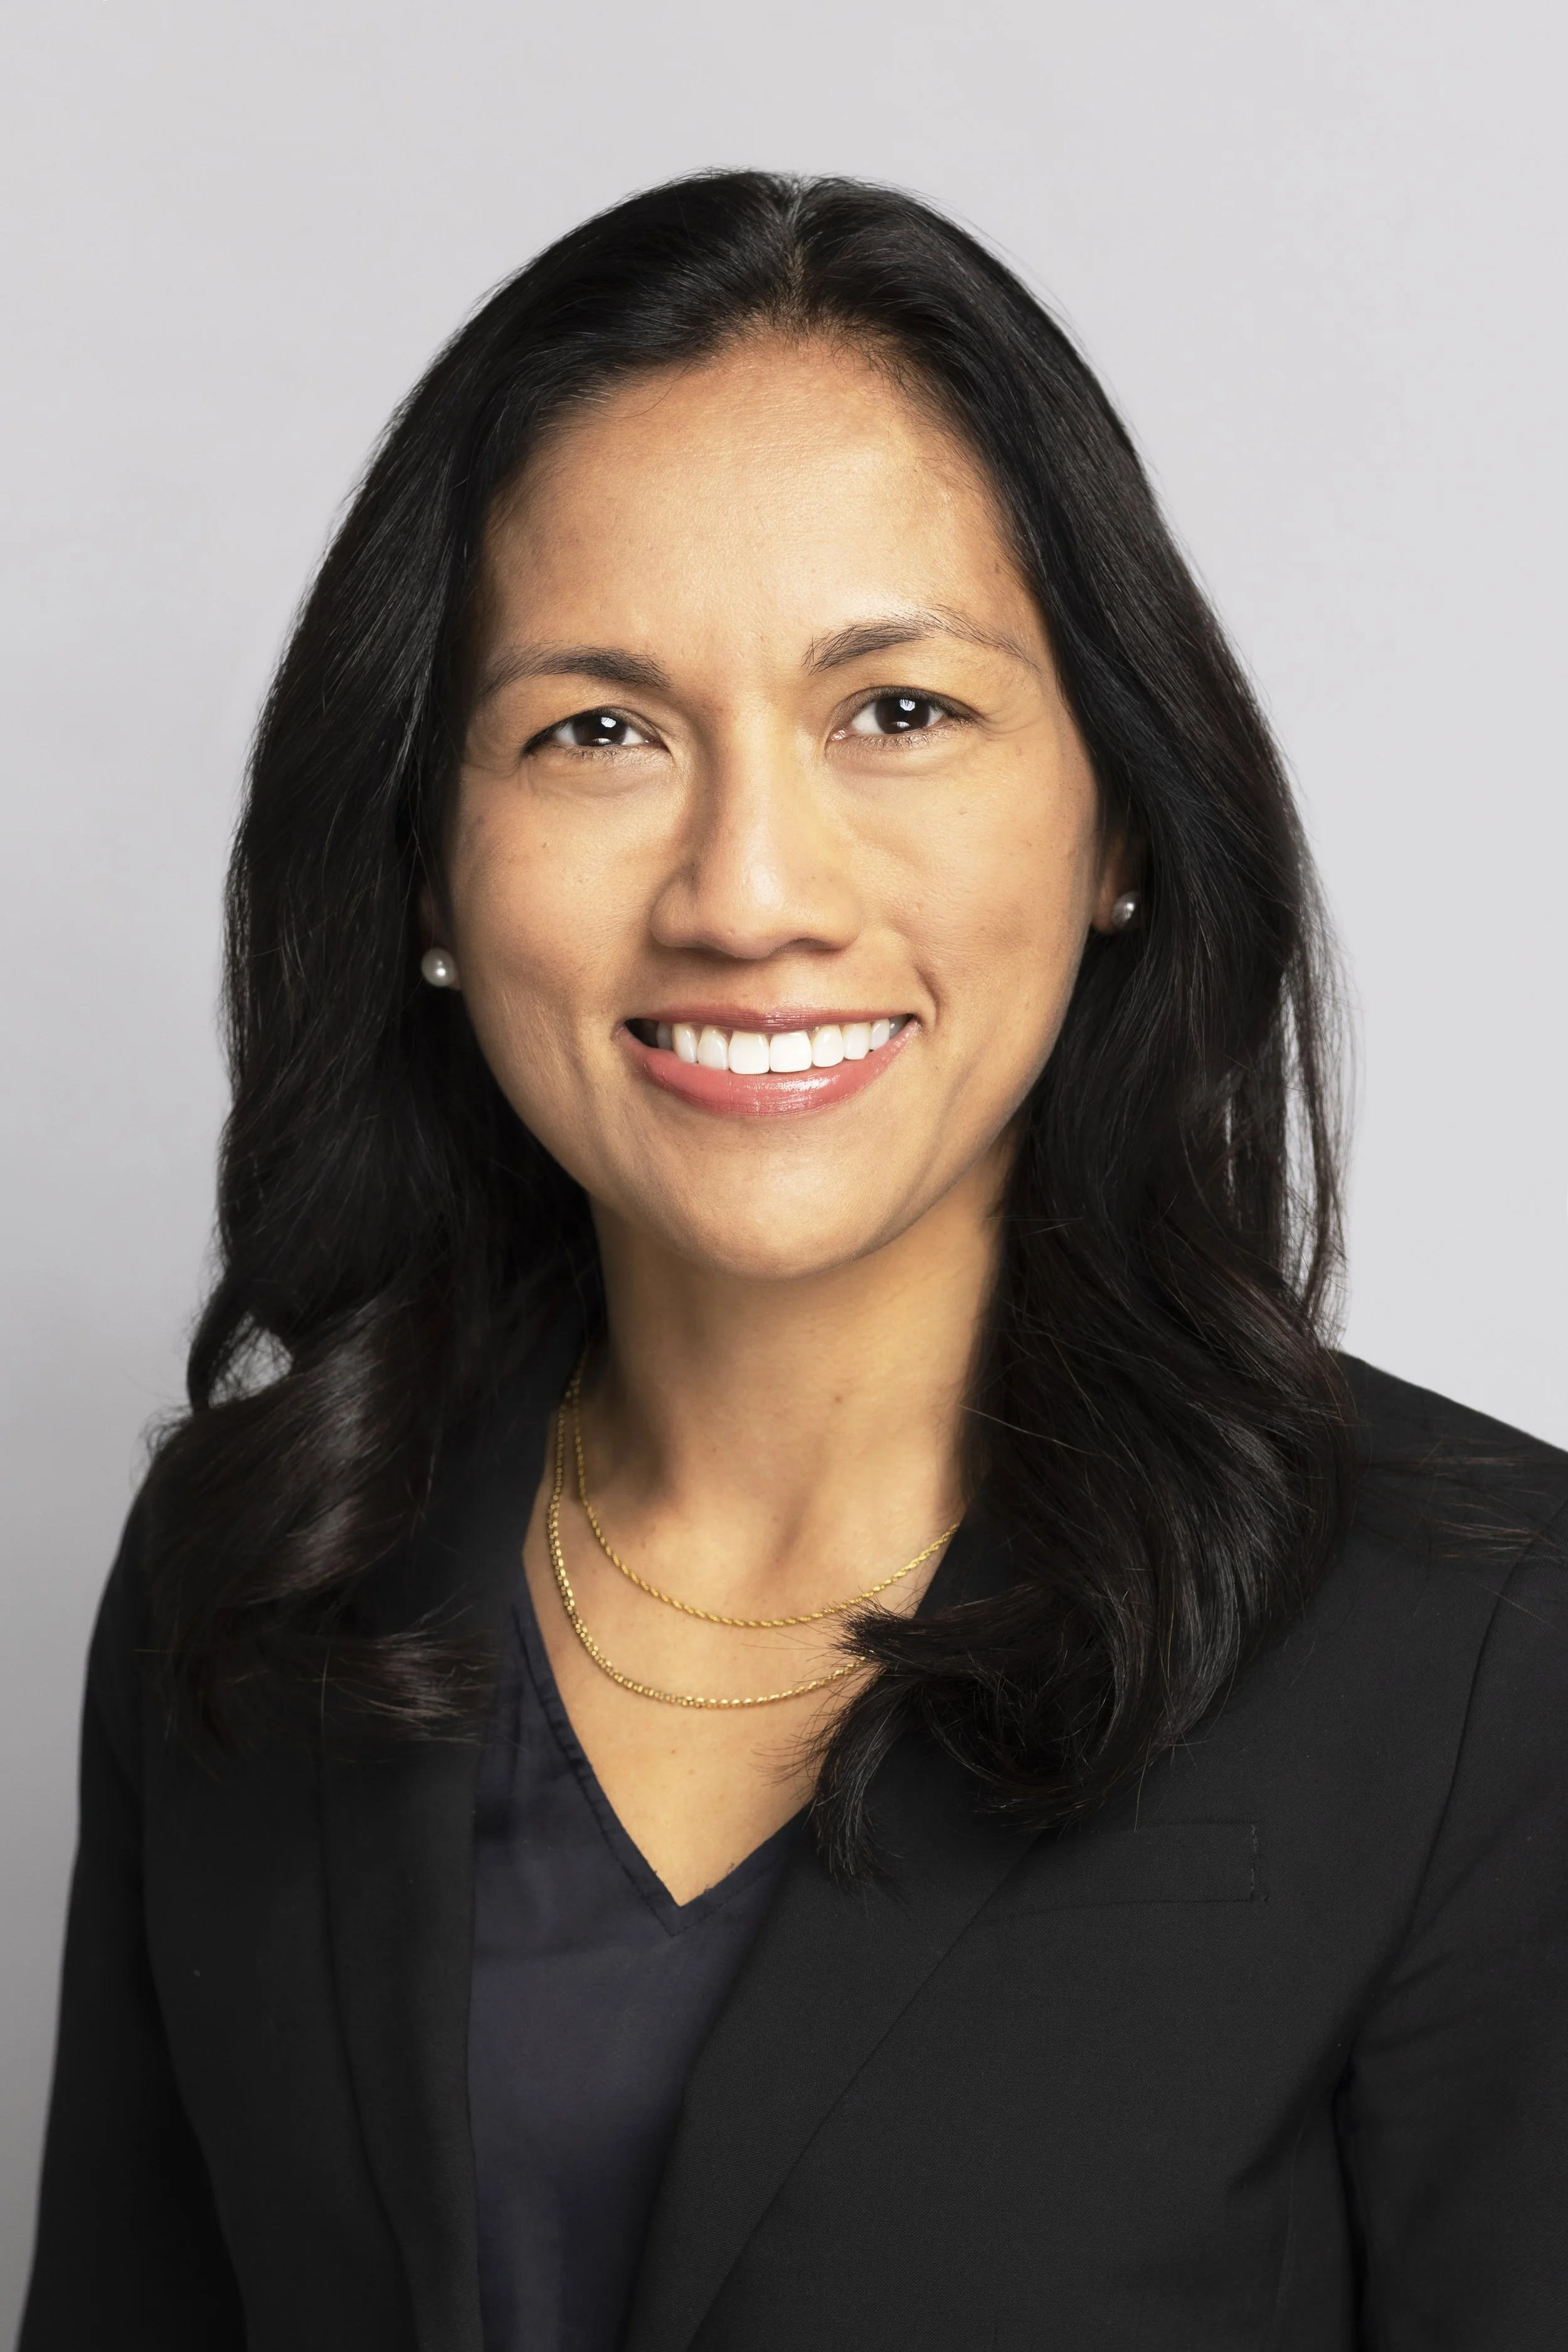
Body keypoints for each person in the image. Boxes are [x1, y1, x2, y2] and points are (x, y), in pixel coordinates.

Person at [19, 171, 1567, 2352]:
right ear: (427, 871)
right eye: (597, 730)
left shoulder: (1484, 1648)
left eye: (896, 710)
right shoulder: (252, 1574)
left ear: (1122, 819)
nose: (748, 892)